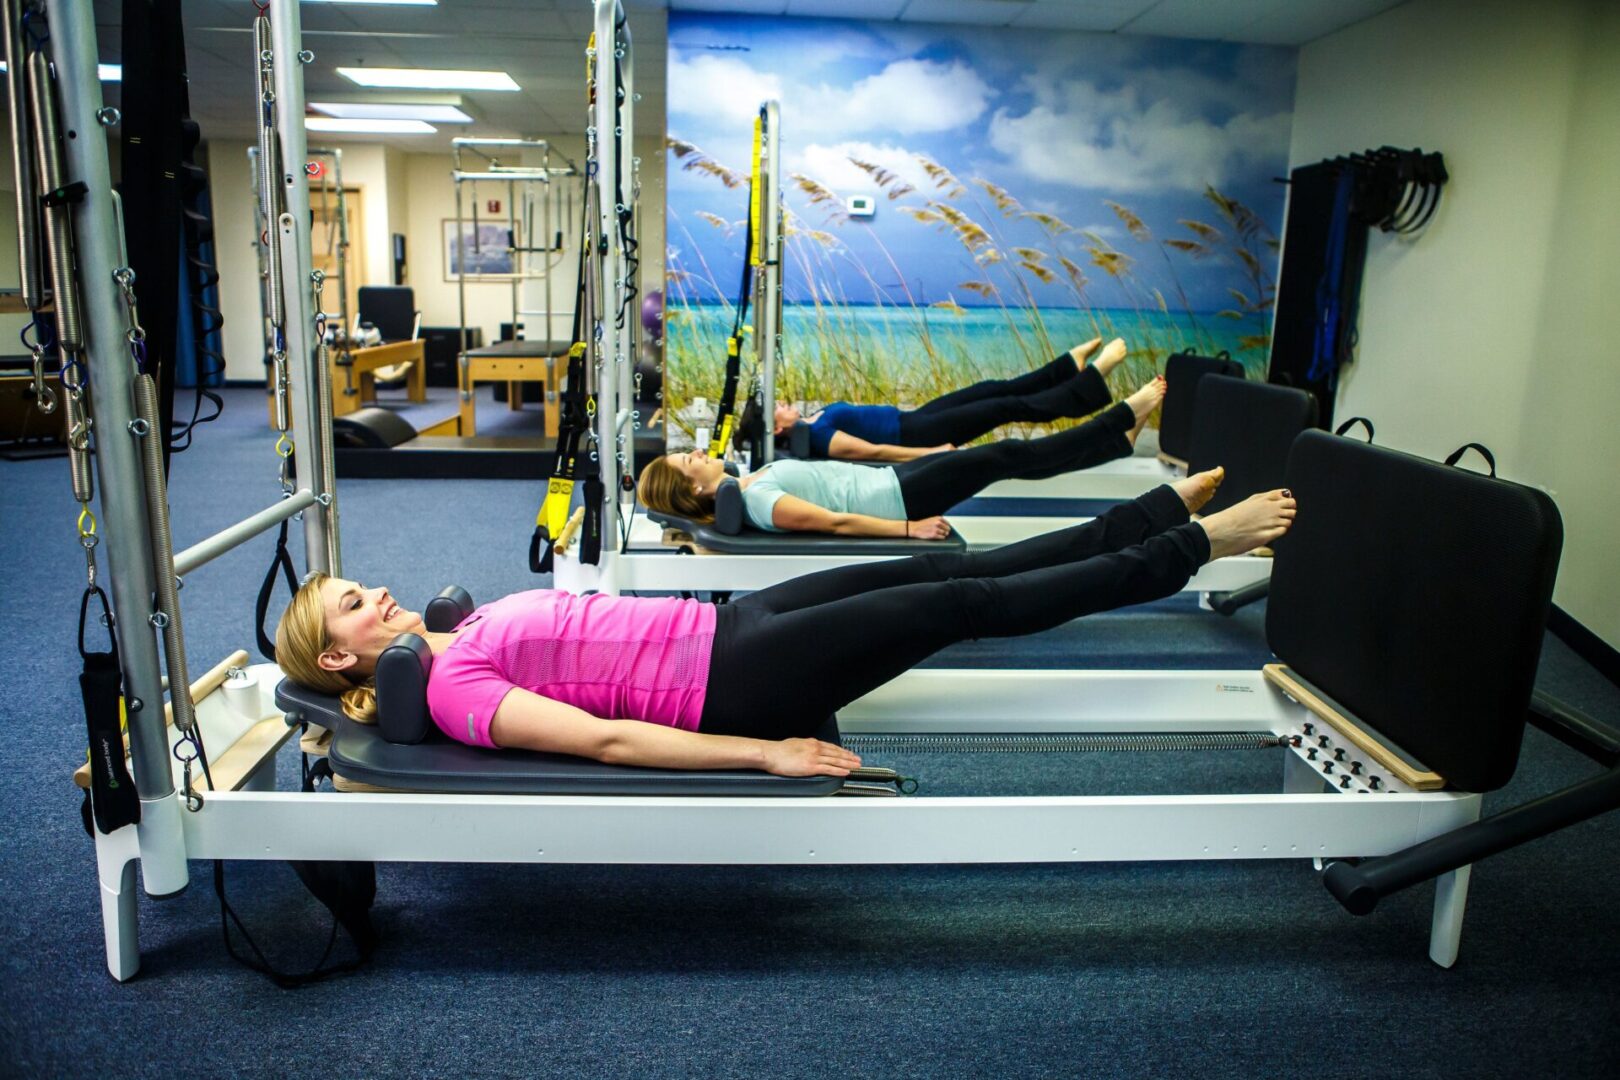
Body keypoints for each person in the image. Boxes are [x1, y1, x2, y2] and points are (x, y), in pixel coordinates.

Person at [275, 472, 1295, 778]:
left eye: (362, 585)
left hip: (727, 622)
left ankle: (1150, 517)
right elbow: (608, 739)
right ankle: (1193, 549)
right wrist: (763, 754)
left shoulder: (457, 629)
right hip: (732, 681)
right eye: (355, 605)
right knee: (961, 604)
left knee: (941, 564)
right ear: (337, 655)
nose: (379, 597)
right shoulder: (452, 691)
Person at [641, 375, 1166, 538]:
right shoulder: (759, 501)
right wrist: (909, 531)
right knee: (1009, 455)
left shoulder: (748, 485)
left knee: (1011, 459)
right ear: (695, 490)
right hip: (902, 498)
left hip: (896, 480)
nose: (695, 454)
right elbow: (837, 522)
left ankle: (1116, 439)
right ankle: (1120, 418)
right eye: (690, 462)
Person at [770, 336, 1130, 462]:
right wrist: (930, 453)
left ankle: (1067, 366)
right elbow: (873, 453)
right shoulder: (816, 436)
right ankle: (1089, 384)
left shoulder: (813, 420)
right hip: (916, 436)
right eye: (775, 408)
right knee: (1002, 408)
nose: (781, 402)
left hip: (911, 419)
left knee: (991, 388)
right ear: (775, 428)